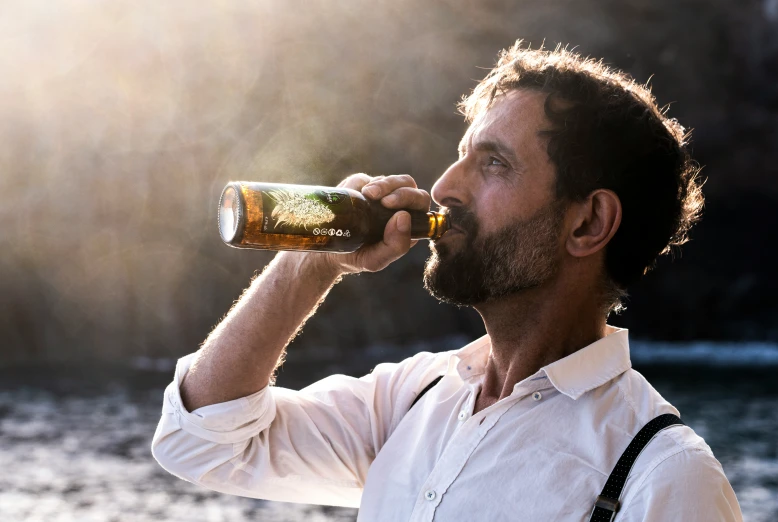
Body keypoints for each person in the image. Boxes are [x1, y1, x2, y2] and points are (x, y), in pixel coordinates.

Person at [151, 42, 742, 520]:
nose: (444, 188)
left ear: (588, 222)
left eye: (493, 164)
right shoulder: (413, 397)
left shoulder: (664, 477)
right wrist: (314, 262)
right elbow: (199, 440)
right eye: (460, 155)